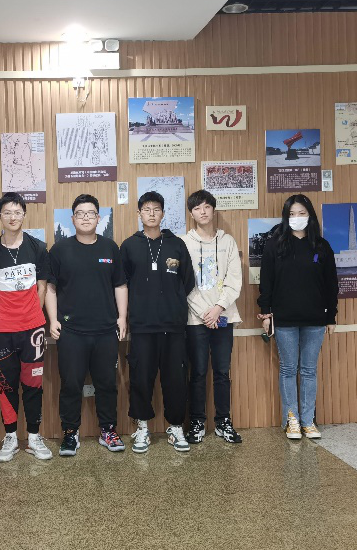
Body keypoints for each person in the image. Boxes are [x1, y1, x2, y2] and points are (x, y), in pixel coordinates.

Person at [46, 194, 128, 456]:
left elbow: (120, 285)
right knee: (71, 384)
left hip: (106, 330)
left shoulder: (110, 248)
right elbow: (50, 288)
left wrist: (122, 317)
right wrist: (53, 319)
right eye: (80, 214)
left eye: (90, 213)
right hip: (71, 331)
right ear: (72, 219)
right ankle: (70, 433)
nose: (85, 218)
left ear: (98, 218)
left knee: (107, 384)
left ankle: (108, 430)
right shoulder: (60, 250)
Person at [257, 194, 338, 440]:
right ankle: (291, 419)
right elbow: (266, 282)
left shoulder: (321, 246)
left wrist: (331, 316)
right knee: (288, 369)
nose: (296, 218)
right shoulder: (275, 245)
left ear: (310, 215)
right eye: (292, 214)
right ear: (286, 217)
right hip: (284, 318)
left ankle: (308, 420)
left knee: (309, 370)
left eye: (301, 213)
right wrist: (265, 313)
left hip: (315, 318)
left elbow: (331, 284)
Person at [0, 192, 53, 462]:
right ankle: (10, 436)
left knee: (33, 383)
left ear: (24, 215)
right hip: (3, 330)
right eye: (7, 212)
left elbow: (42, 286)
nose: (12, 217)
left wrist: (32, 313)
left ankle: (33, 436)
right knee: (6, 384)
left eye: (17, 212)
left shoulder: (38, 247)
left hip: (33, 329)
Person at [120, 192, 195, 453]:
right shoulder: (129, 245)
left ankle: (175, 427)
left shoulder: (176, 244)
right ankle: (142, 427)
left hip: (173, 325)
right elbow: (122, 284)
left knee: (176, 379)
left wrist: (172, 302)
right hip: (142, 325)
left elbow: (187, 280)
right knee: (141, 378)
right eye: (146, 209)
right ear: (139, 213)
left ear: (163, 213)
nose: (151, 214)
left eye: (156, 209)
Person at [180, 189, 244, 445]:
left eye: (206, 206)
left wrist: (218, 308)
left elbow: (234, 280)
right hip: (196, 319)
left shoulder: (228, 242)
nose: (203, 212)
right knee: (197, 372)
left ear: (213, 210)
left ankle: (223, 421)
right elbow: (183, 283)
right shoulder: (184, 243)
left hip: (223, 316)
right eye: (197, 208)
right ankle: (197, 422)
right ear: (191, 214)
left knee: (222, 372)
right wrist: (204, 312)